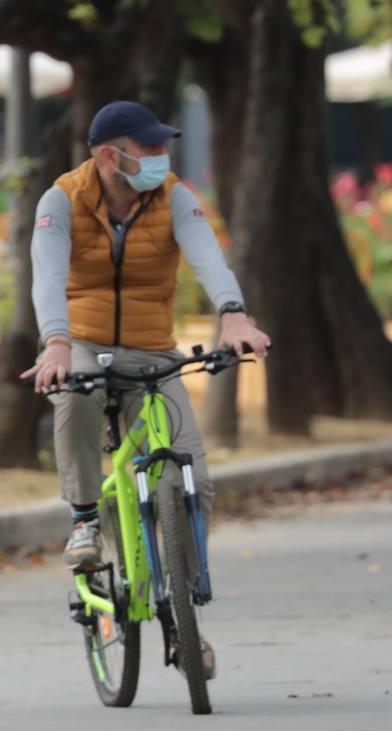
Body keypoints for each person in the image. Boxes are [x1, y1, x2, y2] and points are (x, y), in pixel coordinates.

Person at [23, 101, 271, 671]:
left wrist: (233, 313)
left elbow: (208, 257)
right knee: (75, 396)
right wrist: (56, 343)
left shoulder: (175, 196)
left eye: (163, 148)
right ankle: (85, 521)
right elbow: (48, 274)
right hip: (80, 340)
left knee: (193, 473)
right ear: (112, 155)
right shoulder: (60, 200)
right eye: (151, 148)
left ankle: (184, 609)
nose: (163, 158)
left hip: (151, 348)